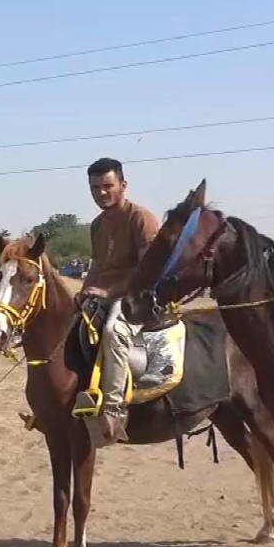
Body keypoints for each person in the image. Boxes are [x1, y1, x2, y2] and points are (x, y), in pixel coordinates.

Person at [76, 157, 161, 446]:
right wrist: (84, 292)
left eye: (107, 186)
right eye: (95, 187)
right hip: (103, 295)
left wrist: (109, 291)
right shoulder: (97, 225)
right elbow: (97, 265)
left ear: (123, 185)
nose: (101, 193)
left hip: (138, 297)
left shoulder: (141, 218)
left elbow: (147, 270)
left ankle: (113, 409)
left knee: (113, 331)